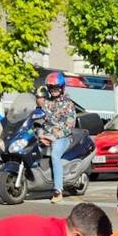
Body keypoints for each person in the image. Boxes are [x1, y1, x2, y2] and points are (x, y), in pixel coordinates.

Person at [38, 71, 76, 204]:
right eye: (51, 88)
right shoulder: (47, 104)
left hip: (63, 137)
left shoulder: (68, 104)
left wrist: (54, 136)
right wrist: (42, 134)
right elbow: (43, 121)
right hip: (48, 134)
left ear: (61, 88)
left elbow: (69, 126)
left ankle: (58, 191)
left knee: (55, 155)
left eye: (56, 88)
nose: (54, 91)